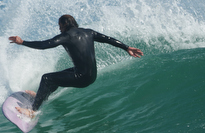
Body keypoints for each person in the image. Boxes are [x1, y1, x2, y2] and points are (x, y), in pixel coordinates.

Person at [8, 14, 143, 117]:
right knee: (57, 78)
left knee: (46, 78)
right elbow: (108, 39)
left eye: (60, 26)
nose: (59, 29)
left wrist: (23, 42)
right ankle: (40, 96)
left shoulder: (66, 36)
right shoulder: (89, 32)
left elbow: (45, 45)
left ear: (65, 24)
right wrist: (126, 47)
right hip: (91, 75)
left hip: (81, 77)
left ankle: (33, 110)